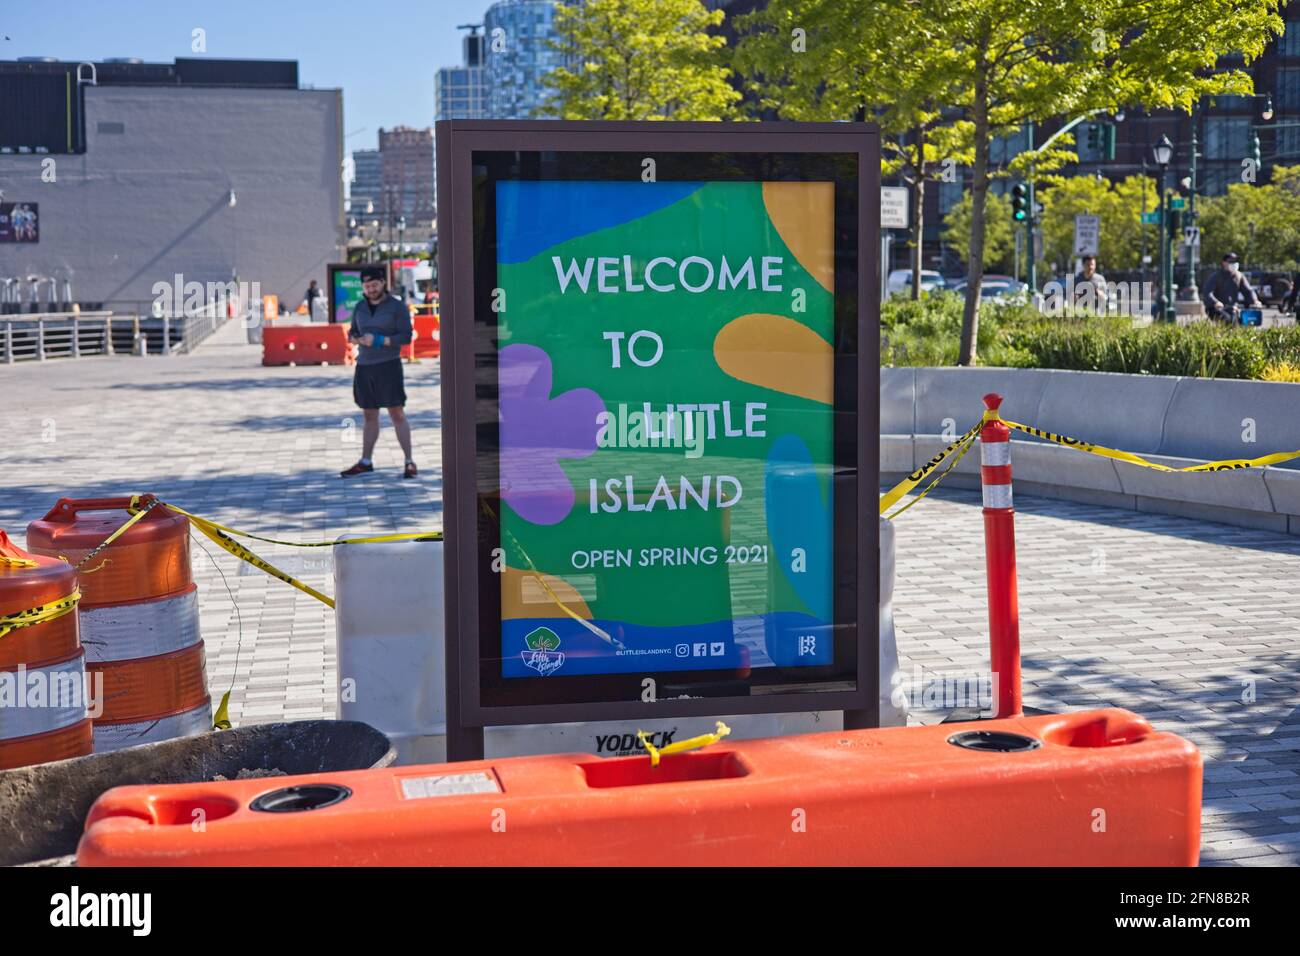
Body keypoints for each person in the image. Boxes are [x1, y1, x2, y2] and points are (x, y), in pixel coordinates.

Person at [340, 265, 417, 478]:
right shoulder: (359, 307)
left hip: (389, 366)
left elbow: (406, 337)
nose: (371, 289)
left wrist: (381, 340)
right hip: (364, 367)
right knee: (369, 415)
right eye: (367, 286)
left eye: (374, 285)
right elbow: (352, 332)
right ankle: (366, 461)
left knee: (396, 413)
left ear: (383, 283)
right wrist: (356, 338)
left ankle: (409, 462)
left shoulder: (397, 307)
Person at [1202, 252, 1261, 323]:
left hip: (1233, 308)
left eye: (1235, 261)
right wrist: (1215, 302)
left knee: (1245, 322)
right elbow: (1207, 293)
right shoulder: (1216, 276)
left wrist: (1255, 300)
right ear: (1224, 263)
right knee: (1227, 319)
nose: (1234, 263)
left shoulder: (1239, 276)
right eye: (1231, 261)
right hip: (1216, 309)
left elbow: (1248, 291)